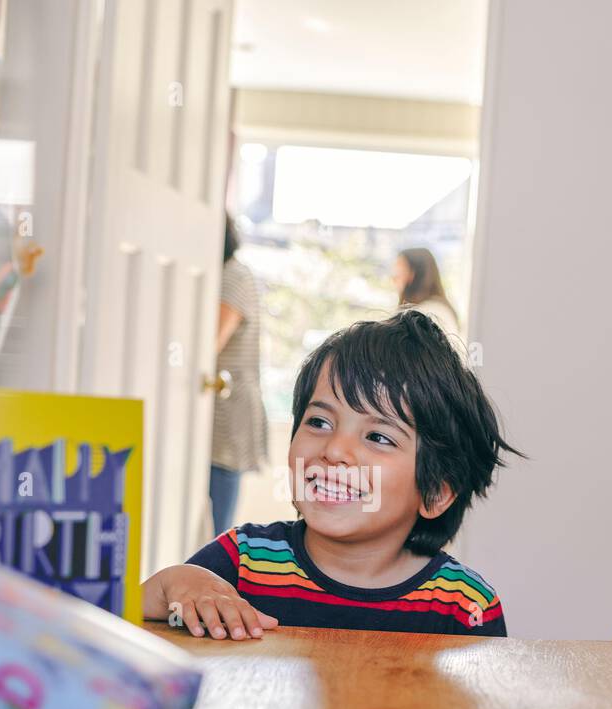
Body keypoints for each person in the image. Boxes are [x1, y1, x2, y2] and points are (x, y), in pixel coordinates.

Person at [142, 310, 523, 639]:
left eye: (377, 436)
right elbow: (126, 617)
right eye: (320, 421)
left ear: (436, 493)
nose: (335, 450)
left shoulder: (463, 603)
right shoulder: (244, 561)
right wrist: (177, 582)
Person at [208, 213, 268, 536]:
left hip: (229, 407)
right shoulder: (225, 274)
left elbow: (210, 344)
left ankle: (215, 578)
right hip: (219, 404)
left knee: (219, 513)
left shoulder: (233, 277)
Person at [393, 247, 460, 338]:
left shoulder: (424, 314)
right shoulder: (438, 308)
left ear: (413, 274)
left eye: (399, 270)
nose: (394, 277)